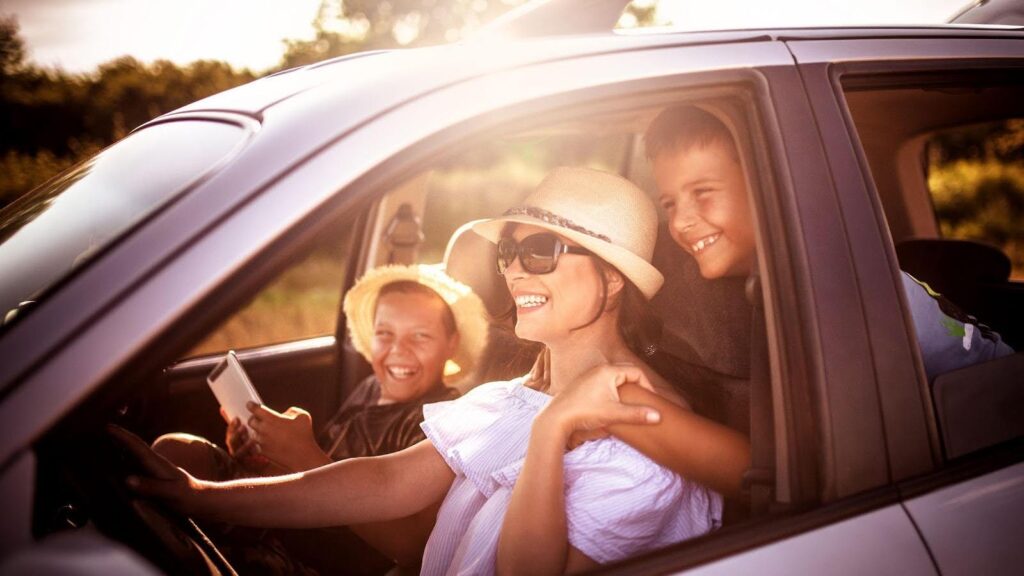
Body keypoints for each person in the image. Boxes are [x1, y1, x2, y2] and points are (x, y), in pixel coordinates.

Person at [115, 167, 731, 575]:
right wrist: (204, 497)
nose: (516, 271)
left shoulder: (639, 422)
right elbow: (384, 484)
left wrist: (553, 435)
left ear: (613, 278)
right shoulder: (511, 398)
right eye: (509, 252)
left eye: (541, 251)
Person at [151, 264, 489, 574]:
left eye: (420, 336)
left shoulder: (446, 418)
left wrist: (302, 453)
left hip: (326, 560)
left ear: (451, 344)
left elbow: (412, 547)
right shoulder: (371, 387)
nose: (398, 350)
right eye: (385, 333)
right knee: (176, 452)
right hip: (292, 522)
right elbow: (312, 474)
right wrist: (264, 460)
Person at [644, 104, 1014, 383]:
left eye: (703, 192)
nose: (680, 221)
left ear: (765, 187)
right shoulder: (744, 288)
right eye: (669, 203)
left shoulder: (844, 290)